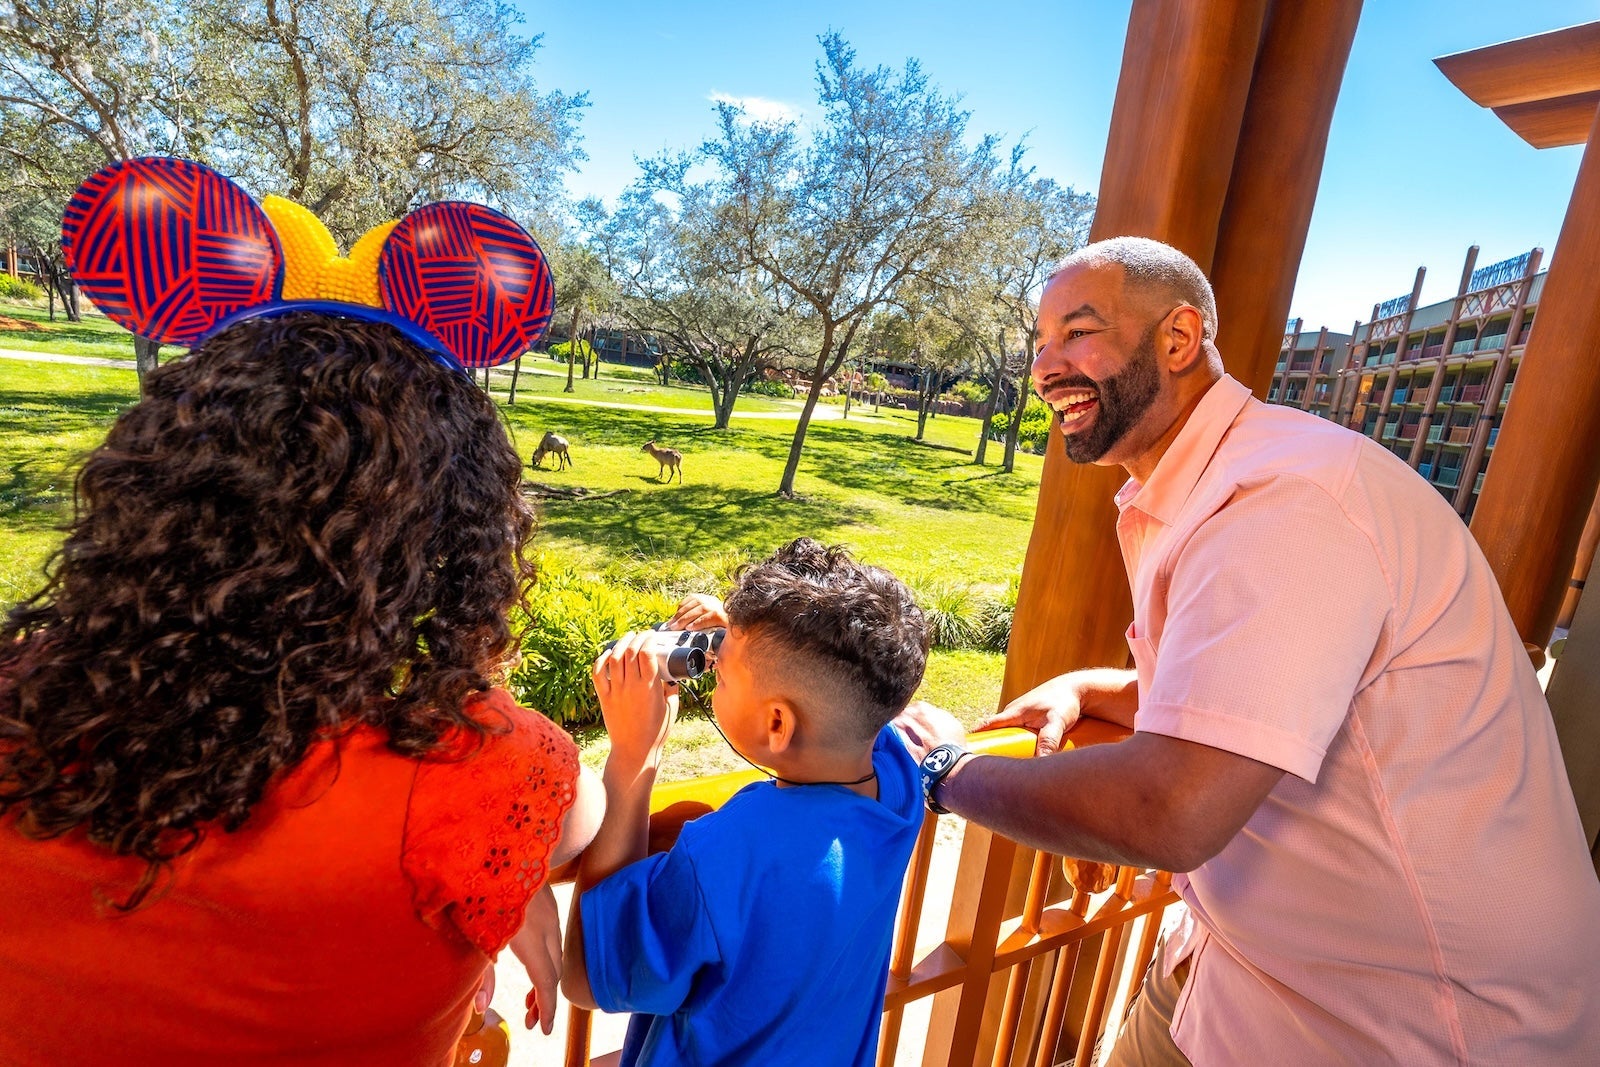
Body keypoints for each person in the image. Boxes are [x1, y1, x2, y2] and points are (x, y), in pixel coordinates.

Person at [896, 237, 1600, 1064]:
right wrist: (1096, 686)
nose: (1046, 366)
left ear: (1179, 339)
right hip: (1238, 969)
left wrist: (949, 772)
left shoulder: (1282, 502)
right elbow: (1257, 694)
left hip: (1398, 1025)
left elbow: (1172, 807)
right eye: (1040, 342)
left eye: (1078, 332)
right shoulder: (1229, 479)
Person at [0, 314, 603, 1065]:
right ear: (447, 546)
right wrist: (503, 875)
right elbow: (582, 818)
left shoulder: (19, 701)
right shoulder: (474, 768)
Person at [563, 538, 928, 1066]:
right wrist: (738, 642)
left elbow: (584, 976)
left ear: (777, 724)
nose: (713, 671)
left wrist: (632, 756)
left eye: (723, 673)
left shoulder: (728, 854)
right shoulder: (897, 787)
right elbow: (851, 689)